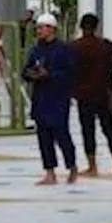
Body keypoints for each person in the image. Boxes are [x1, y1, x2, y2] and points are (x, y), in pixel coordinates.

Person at [24, 12, 77, 185]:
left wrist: (50, 75)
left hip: (58, 99)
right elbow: (26, 70)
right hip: (41, 99)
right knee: (44, 138)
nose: (39, 31)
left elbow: (70, 74)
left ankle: (72, 166)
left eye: (42, 27)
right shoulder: (36, 50)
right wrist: (32, 74)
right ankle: (50, 172)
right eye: (37, 27)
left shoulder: (63, 49)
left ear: (52, 29)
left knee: (62, 135)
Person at [70, 13, 112, 177]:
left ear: (80, 27)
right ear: (97, 26)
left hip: (84, 95)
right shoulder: (106, 45)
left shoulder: (74, 47)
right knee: (109, 128)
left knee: (88, 130)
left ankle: (92, 166)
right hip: (104, 93)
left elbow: (70, 70)